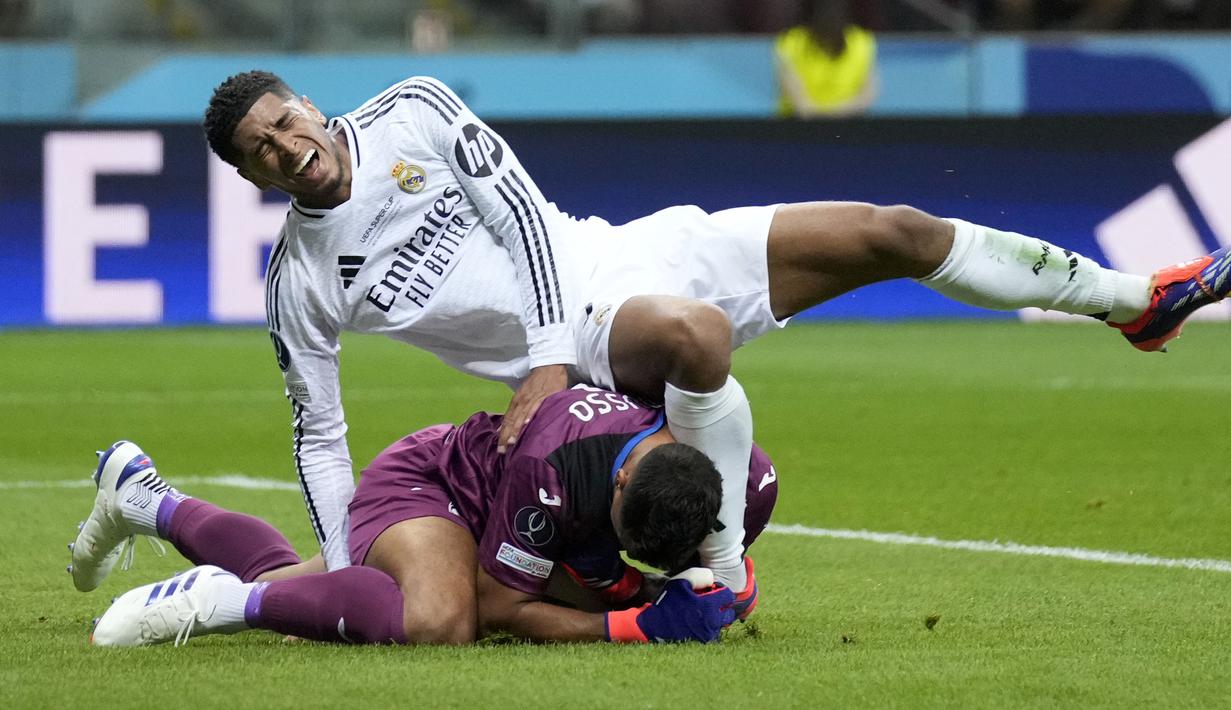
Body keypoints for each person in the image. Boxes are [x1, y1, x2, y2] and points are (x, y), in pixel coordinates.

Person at [186, 69, 1230, 605]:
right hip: (599, 334)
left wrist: (539, 366)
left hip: (628, 253)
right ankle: (723, 569)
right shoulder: (302, 282)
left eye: (286, 122)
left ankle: (1136, 300)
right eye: (262, 151)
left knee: (894, 231)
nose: (288, 147)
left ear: (309, 106)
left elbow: (517, 214)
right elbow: (318, 432)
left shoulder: (412, 112)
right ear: (252, 177)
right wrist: (334, 565)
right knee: (691, 340)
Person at [73, 386, 778, 646]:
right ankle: (229, 602)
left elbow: (714, 566)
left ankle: (145, 497)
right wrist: (634, 624)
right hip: (436, 487)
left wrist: (722, 585)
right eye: (628, 539)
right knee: (443, 619)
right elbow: (503, 601)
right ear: (620, 481)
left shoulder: (744, 476)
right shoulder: (555, 465)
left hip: (509, 519)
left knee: (302, 578)